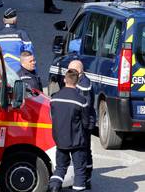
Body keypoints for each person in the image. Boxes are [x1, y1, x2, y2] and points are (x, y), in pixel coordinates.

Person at [48, 69, 90, 192]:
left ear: (65, 80)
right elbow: (86, 122)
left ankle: (54, 188)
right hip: (77, 141)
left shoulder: (54, 98)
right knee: (79, 171)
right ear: (77, 82)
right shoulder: (81, 101)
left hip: (60, 140)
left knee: (60, 168)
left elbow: (52, 117)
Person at [69, 60, 95, 188]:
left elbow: (85, 106)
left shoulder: (84, 85)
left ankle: (86, 179)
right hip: (83, 122)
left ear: (79, 72)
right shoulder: (80, 81)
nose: (68, 73)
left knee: (84, 152)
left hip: (84, 123)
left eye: (71, 71)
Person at [0, 8, 35, 73]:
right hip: (19, 72)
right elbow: (29, 54)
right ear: (15, 21)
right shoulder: (22, 34)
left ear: (3, 20)